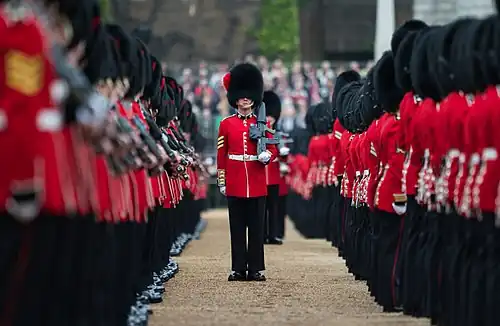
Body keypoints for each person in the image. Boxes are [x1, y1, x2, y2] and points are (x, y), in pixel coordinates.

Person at [216, 63, 277, 281]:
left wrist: (267, 156)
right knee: (238, 228)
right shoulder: (227, 124)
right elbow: (221, 154)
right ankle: (238, 268)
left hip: (257, 179)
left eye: (248, 95)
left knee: (257, 228)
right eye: (241, 96)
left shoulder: (261, 123)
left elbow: (272, 147)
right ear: (235, 98)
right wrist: (222, 180)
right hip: (235, 180)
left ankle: (256, 268)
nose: (245, 99)